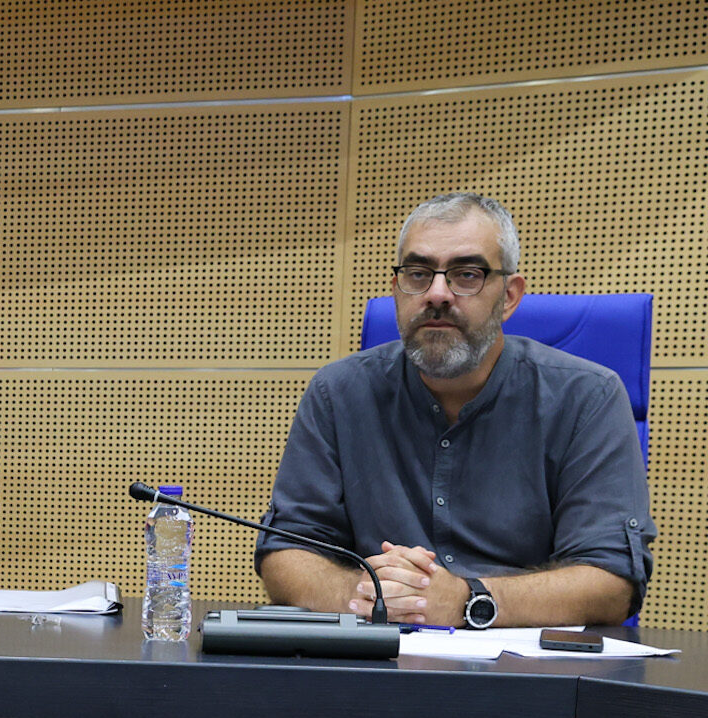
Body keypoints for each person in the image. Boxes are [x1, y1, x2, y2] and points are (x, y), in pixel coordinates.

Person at [257, 193, 654, 628]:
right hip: (375, 656)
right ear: (397, 289)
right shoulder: (337, 393)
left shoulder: (589, 397)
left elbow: (612, 582)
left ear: (509, 296)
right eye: (418, 274)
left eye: (467, 275)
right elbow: (285, 553)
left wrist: (468, 600)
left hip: (525, 661)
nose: (437, 294)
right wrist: (366, 595)